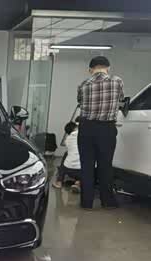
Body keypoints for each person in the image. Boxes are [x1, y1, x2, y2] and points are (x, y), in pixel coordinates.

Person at [77, 56, 124, 210]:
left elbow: (80, 102)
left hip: (86, 128)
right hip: (106, 129)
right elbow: (121, 100)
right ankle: (107, 201)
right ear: (108, 68)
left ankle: (86, 203)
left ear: (90, 70)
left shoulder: (83, 84)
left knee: (86, 166)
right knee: (105, 165)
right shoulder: (117, 81)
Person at [52, 120, 81, 193]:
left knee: (67, 154)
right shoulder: (83, 134)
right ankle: (78, 183)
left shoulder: (67, 140)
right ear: (76, 127)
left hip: (68, 170)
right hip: (81, 170)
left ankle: (59, 182)